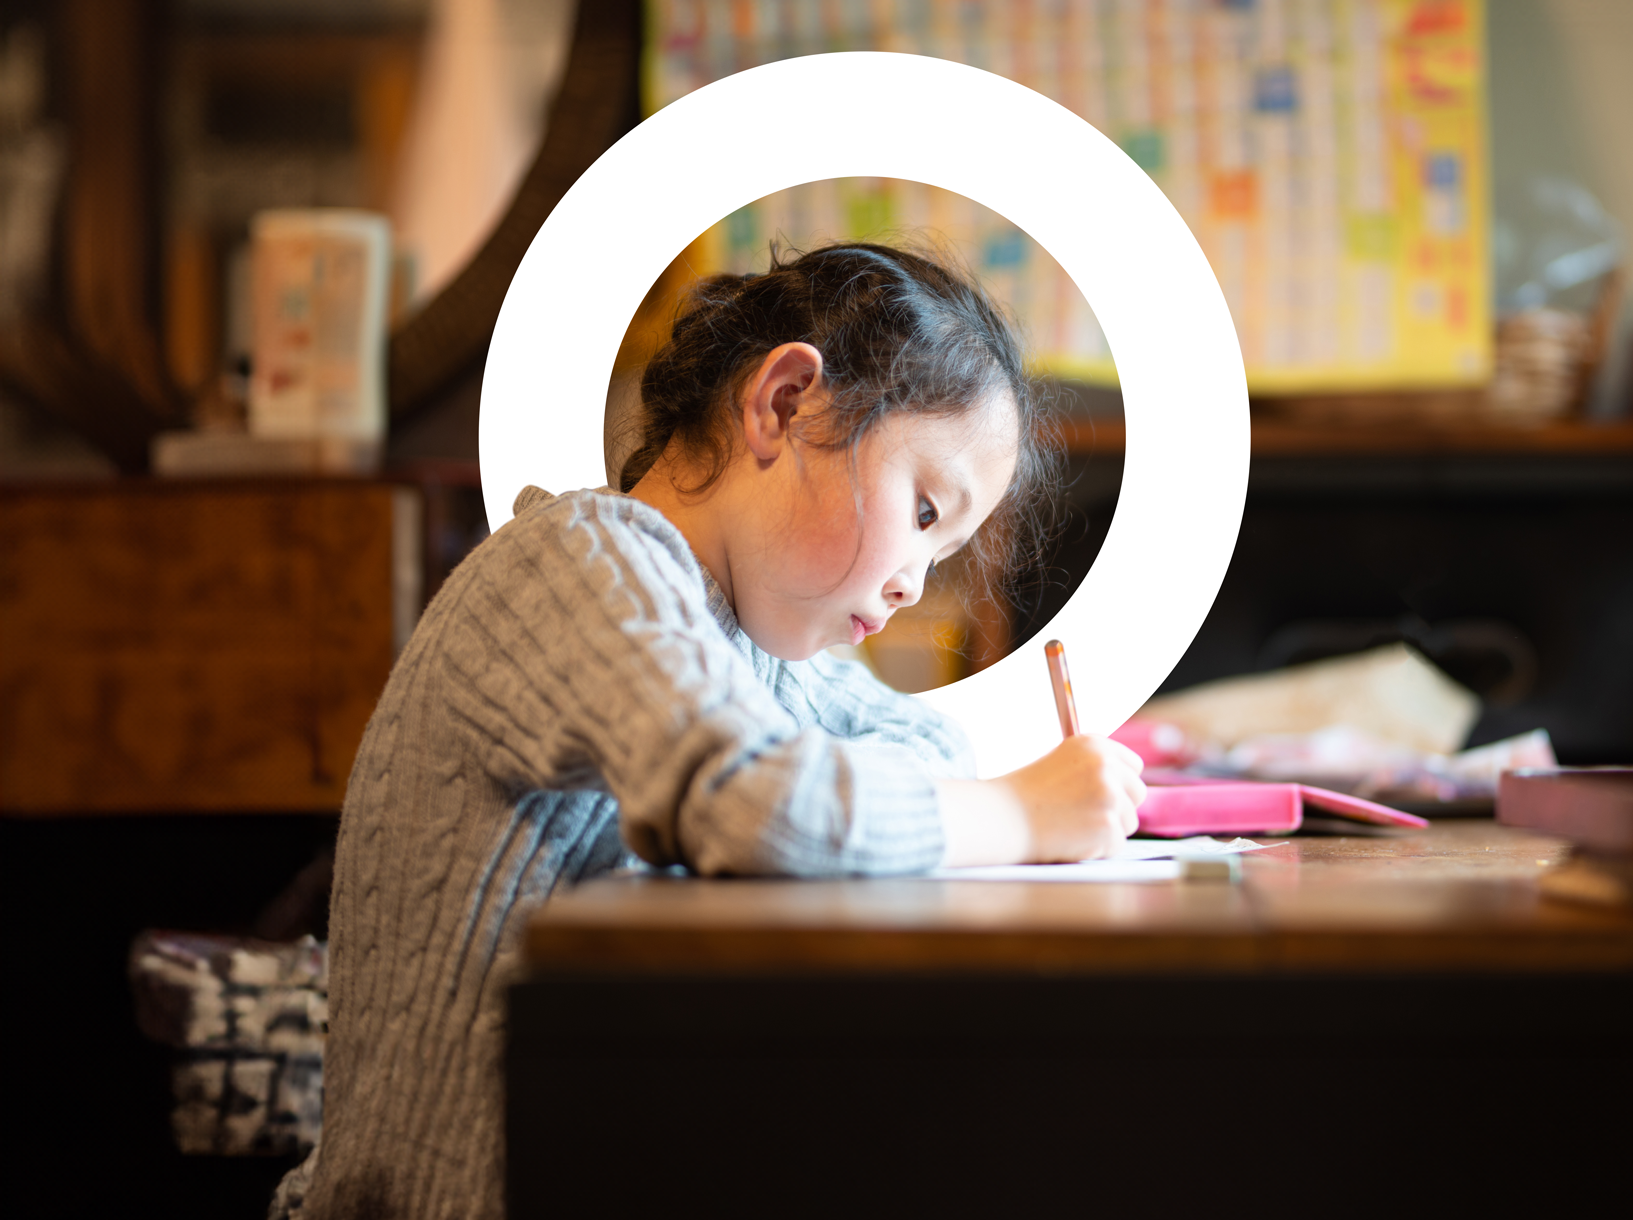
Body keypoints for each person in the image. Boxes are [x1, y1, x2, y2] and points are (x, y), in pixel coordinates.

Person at [269, 242, 1145, 1219]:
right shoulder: (575, 567)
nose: (913, 584)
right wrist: (1023, 816)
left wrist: (912, 797)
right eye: (925, 509)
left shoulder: (750, 645)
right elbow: (767, 807)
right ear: (785, 403)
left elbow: (934, 747)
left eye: (943, 553)